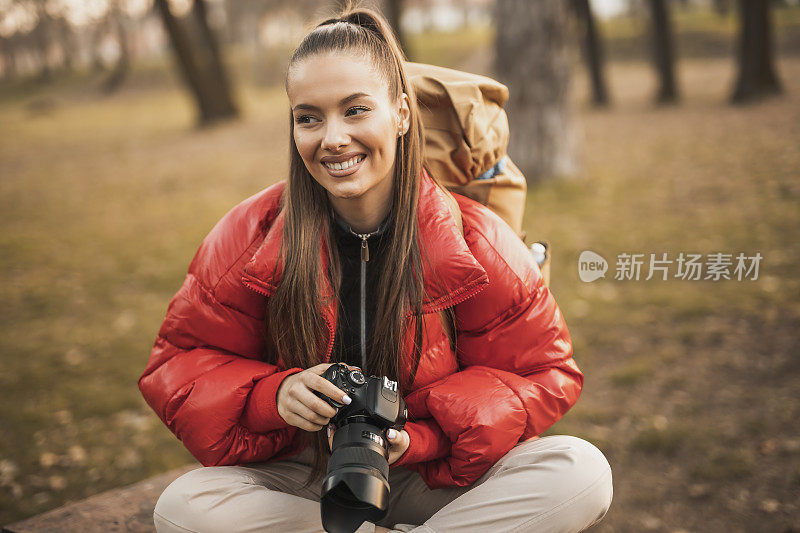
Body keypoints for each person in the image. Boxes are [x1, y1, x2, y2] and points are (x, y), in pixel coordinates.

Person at [139, 5, 613, 532]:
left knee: (580, 469)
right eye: (309, 117)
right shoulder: (250, 233)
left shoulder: (476, 238)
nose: (333, 138)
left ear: (402, 114)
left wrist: (421, 437)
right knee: (184, 504)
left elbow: (547, 373)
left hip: (427, 475)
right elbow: (177, 366)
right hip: (307, 475)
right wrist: (274, 395)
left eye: (356, 110)